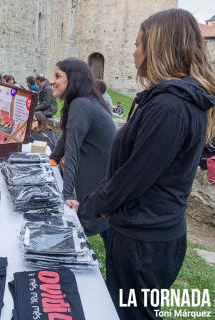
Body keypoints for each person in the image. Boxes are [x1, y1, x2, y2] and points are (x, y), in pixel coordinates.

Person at [85, 9, 215, 320]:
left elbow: (134, 176)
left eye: (139, 44)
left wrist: (89, 208)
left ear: (158, 49)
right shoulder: (167, 101)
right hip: (144, 232)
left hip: (144, 240)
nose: (134, 52)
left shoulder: (171, 107)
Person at [50, 58, 115, 248]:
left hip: (103, 188)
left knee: (111, 239)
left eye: (58, 76)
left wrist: (68, 194)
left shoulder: (81, 105)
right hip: (104, 185)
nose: (52, 81)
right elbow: (65, 142)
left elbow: (72, 151)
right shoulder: (83, 102)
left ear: (73, 79)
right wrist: (51, 161)